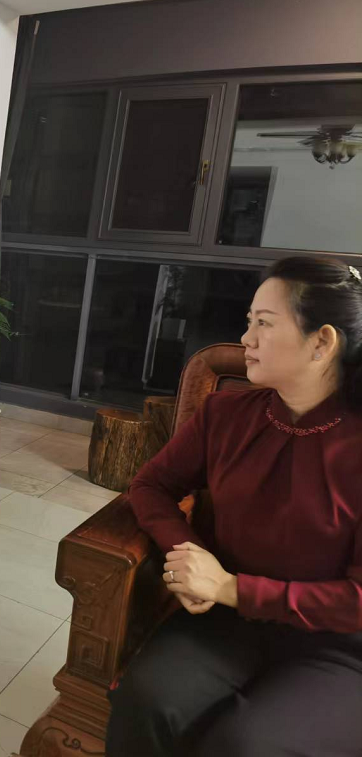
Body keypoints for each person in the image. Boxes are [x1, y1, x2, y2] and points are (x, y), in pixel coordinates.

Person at [105, 256, 362, 756]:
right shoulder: (226, 413)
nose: (246, 339)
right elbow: (151, 485)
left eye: (264, 323)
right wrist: (191, 554)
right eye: (249, 322)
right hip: (227, 620)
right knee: (149, 701)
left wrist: (229, 587)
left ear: (322, 342)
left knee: (248, 745)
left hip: (336, 646)